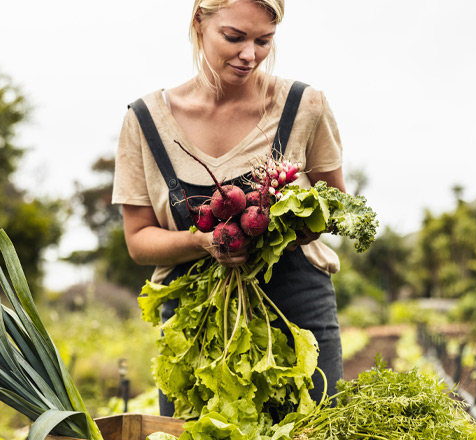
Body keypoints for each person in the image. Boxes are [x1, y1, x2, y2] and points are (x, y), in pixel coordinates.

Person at [112, 0, 346, 417]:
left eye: (263, 41)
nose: (250, 55)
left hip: (295, 316)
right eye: (234, 38)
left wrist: (297, 225)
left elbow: (336, 205)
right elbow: (138, 241)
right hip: (196, 329)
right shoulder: (146, 120)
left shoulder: (304, 105)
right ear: (198, 23)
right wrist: (203, 241)